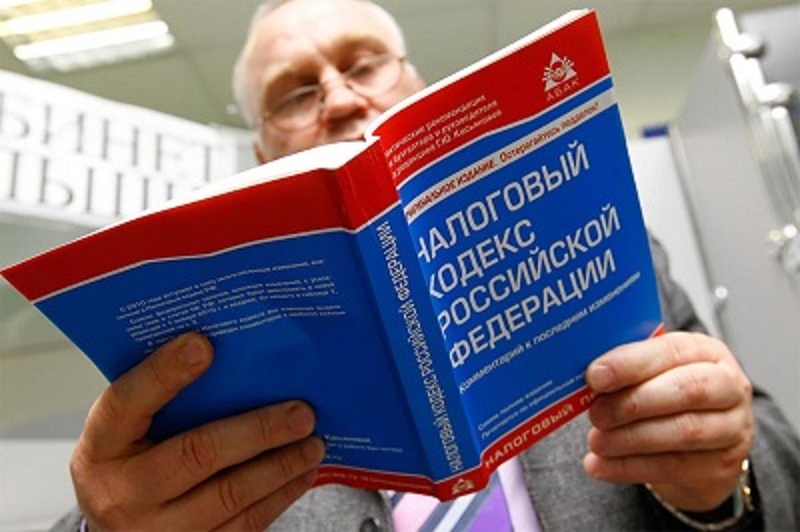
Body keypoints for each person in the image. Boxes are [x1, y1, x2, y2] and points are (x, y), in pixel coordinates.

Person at [54, 0, 800, 530]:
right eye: (296, 94)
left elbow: (777, 466)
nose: (340, 99)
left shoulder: (602, 248)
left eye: (363, 65)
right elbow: (112, 501)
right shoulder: (199, 356)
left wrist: (722, 482)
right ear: (262, 150)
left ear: (416, 86)